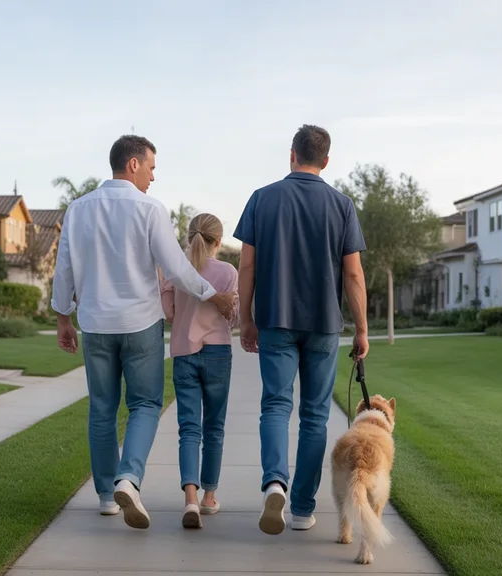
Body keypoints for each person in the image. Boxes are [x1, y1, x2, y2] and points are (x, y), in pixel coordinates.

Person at [51, 134, 237, 530]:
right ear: (132, 164)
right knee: (146, 405)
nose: (154, 176)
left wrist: (63, 317)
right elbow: (176, 269)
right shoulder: (150, 209)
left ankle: (107, 496)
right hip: (140, 325)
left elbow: (63, 266)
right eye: (151, 167)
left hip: (97, 325)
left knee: (101, 409)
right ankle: (128, 478)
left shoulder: (78, 209)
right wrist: (214, 296)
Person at [233, 124, 369, 535]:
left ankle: (274, 481)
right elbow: (353, 274)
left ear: (291, 154)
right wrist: (362, 330)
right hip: (324, 324)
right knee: (315, 415)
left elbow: (247, 265)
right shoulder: (342, 204)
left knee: (275, 405)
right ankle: (303, 509)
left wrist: (246, 319)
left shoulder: (262, 198)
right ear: (325, 161)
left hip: (275, 319)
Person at [159, 213, 239, 529]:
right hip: (218, 352)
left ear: (189, 236)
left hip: (183, 353)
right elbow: (231, 317)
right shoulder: (228, 272)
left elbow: (167, 313)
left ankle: (189, 500)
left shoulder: (174, 271)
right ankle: (208, 498)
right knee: (214, 427)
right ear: (218, 241)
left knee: (189, 428)